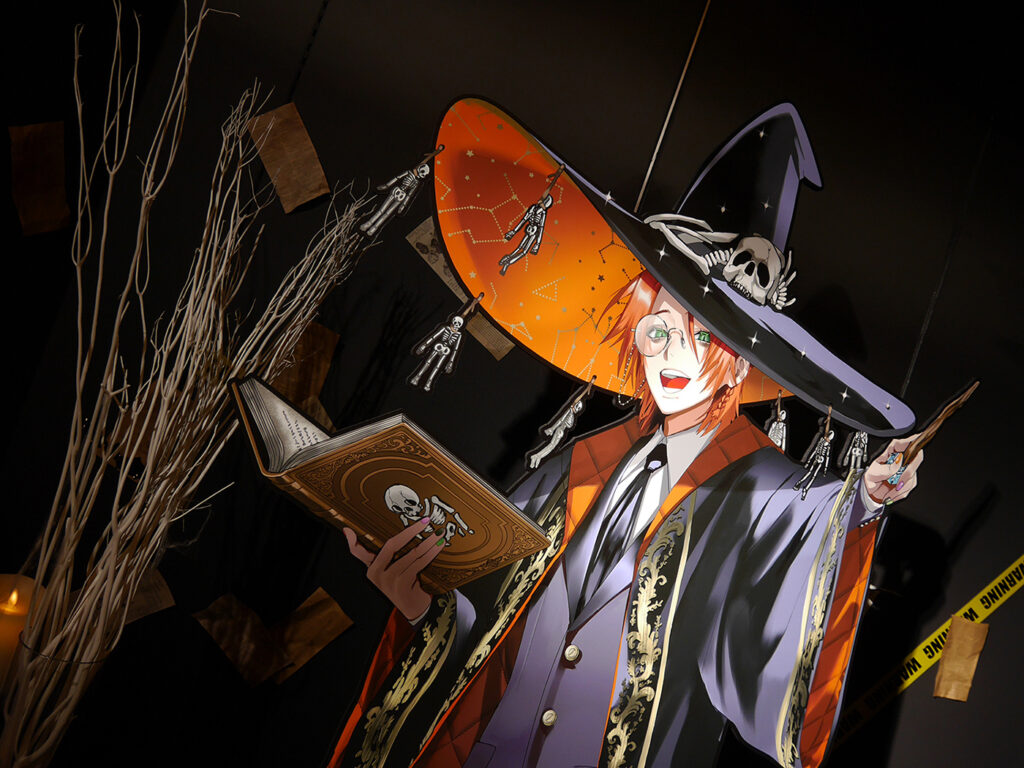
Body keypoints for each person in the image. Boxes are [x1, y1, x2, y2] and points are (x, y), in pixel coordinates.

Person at [329, 99, 922, 768]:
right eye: (660, 328)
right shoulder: (579, 463)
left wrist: (865, 498)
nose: (674, 355)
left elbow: (810, 541)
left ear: (742, 364)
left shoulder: (765, 491)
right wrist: (416, 599)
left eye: (705, 338)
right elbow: (485, 625)